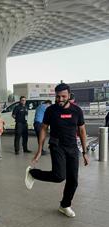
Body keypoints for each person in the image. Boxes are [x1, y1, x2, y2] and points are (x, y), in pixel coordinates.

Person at [25, 83, 89, 218]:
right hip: (57, 145)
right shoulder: (51, 110)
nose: (60, 99)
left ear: (69, 95)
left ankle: (65, 205)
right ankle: (33, 173)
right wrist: (39, 150)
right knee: (59, 176)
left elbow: (82, 131)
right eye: (57, 97)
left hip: (72, 147)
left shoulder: (77, 111)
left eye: (63, 96)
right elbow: (43, 128)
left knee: (73, 181)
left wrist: (85, 152)